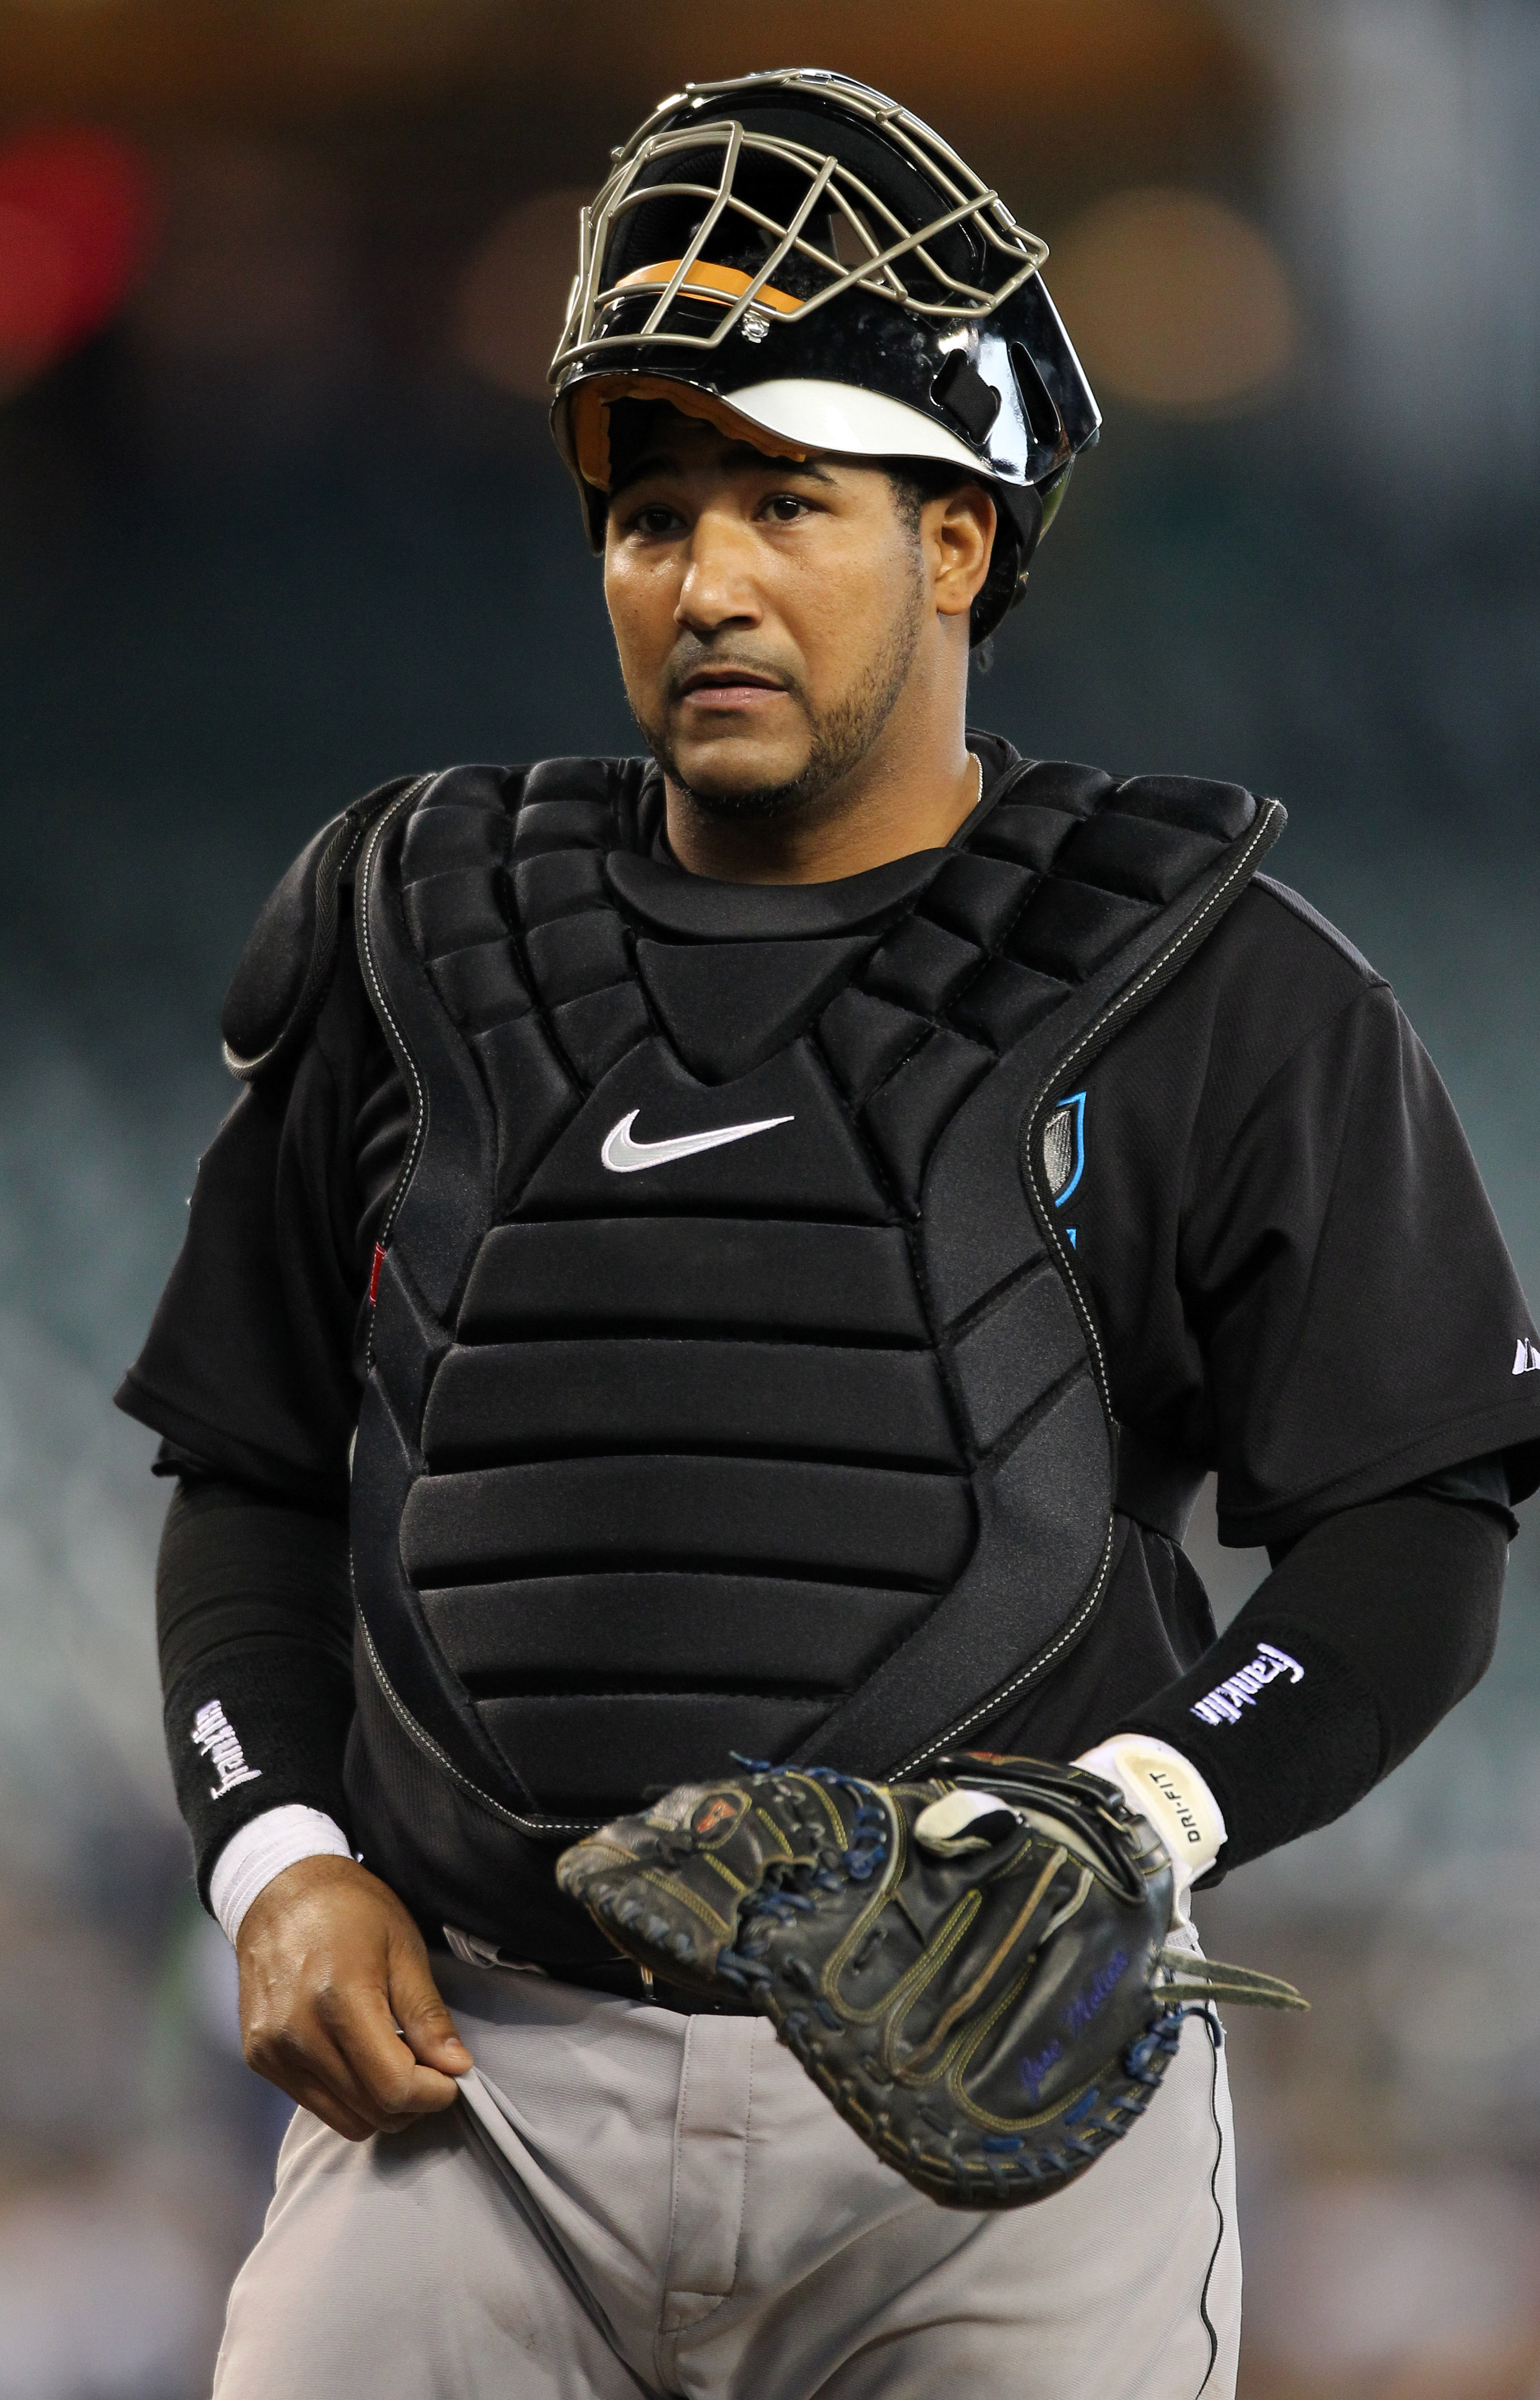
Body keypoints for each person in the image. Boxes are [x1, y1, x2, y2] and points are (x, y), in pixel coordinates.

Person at [118, 69, 1540, 2400]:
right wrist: (270, 1847)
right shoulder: (415, 937)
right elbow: (249, 1474)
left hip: (1000, 2137)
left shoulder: (1213, 978)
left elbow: (1411, 1521)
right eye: (653, 510)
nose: (709, 579)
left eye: (788, 497)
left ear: (961, 538)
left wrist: (1144, 1810)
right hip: (471, 2099)